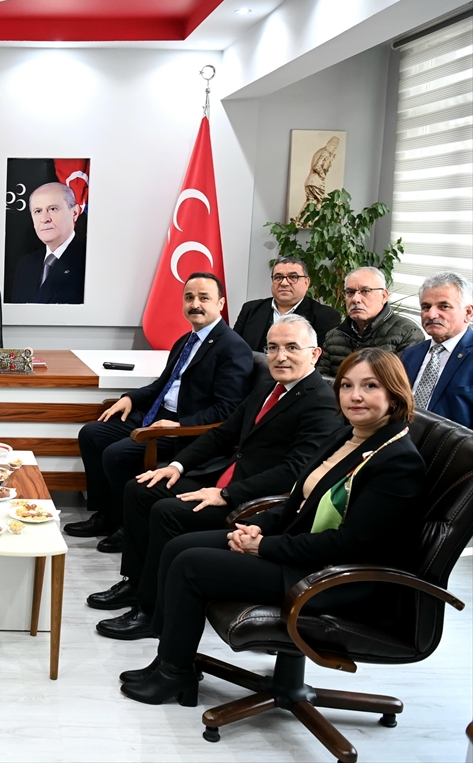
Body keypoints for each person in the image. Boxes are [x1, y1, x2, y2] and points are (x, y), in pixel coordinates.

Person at [120, 348, 424, 707]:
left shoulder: (397, 461)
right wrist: (256, 527)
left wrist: (263, 547)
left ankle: (175, 674)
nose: (355, 396)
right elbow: (297, 500)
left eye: (370, 386)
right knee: (178, 547)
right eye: (346, 385)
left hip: (333, 578)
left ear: (394, 394)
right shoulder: (347, 436)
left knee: (191, 565)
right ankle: (168, 659)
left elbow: (348, 544)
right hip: (304, 553)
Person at [90, 315, 343, 640]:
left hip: (254, 502)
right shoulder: (268, 389)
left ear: (315, 354)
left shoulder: (321, 403)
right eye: (273, 348)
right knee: (141, 488)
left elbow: (294, 472)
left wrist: (225, 494)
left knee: (167, 512)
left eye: (292, 347)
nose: (280, 356)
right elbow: (223, 435)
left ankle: (151, 612)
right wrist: (176, 466)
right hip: (224, 478)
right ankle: (136, 584)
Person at [66, 273, 253, 551]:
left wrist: (180, 425)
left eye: (204, 298)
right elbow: (162, 385)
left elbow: (228, 409)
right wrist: (130, 398)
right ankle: (107, 515)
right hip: (157, 415)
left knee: (116, 454)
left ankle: (129, 527)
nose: (195, 304)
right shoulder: (186, 340)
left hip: (185, 428)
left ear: (221, 303)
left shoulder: (233, 348)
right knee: (92, 434)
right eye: (189, 297)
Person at [319, 267, 424, 376]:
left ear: (384, 296)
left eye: (365, 291)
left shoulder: (408, 334)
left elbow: (401, 383)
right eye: (350, 292)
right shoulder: (333, 336)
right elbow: (321, 381)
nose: (355, 299)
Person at [400, 271, 473, 427]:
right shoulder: (410, 354)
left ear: (468, 313)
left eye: (444, 306)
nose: (431, 314)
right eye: (426, 307)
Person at [231, 255, 341, 352]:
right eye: (278, 277)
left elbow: (321, 361)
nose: (284, 283)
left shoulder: (326, 316)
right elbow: (233, 348)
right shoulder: (251, 309)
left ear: (306, 283)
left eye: (293, 277)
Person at [10, 182, 85, 304]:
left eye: (53, 209)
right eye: (38, 211)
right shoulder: (25, 265)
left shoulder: (89, 261)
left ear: (75, 213)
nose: (44, 219)